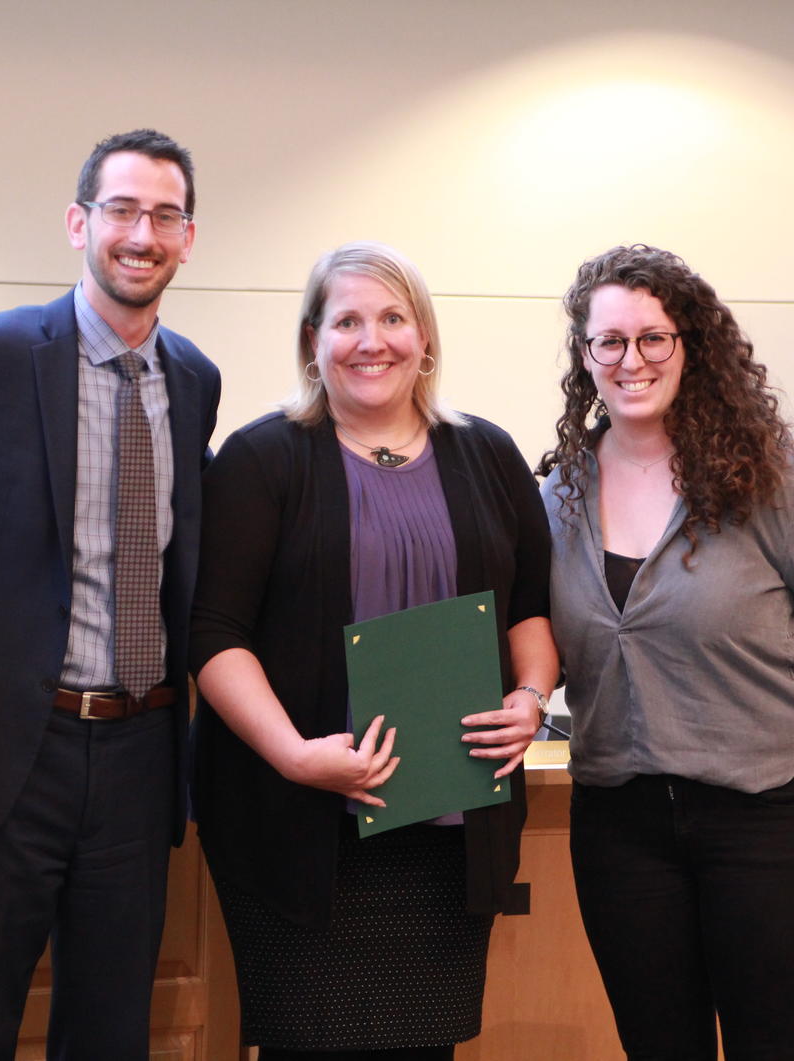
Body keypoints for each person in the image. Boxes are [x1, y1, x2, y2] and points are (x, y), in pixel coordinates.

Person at [0, 129, 221, 1060]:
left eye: (165, 215)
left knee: (113, 1030)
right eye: (121, 209)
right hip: (4, 756)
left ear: (187, 239)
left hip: (141, 751)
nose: (141, 233)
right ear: (81, 221)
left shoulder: (193, 379)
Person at [190, 241, 557, 1060]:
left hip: (449, 822)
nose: (372, 340)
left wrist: (530, 699)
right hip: (302, 822)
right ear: (312, 341)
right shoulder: (263, 458)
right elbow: (214, 634)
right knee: (308, 1043)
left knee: (427, 1046)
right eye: (347, 320)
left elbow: (531, 610)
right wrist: (293, 756)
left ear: (424, 338)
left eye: (393, 318)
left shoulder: (488, 454)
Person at [539, 244, 794, 1060]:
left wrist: (740, 690)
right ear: (585, 356)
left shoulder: (773, 479)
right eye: (609, 342)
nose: (631, 360)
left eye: (654, 338)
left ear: (691, 346)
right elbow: (548, 646)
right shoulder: (557, 495)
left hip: (770, 813)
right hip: (620, 819)